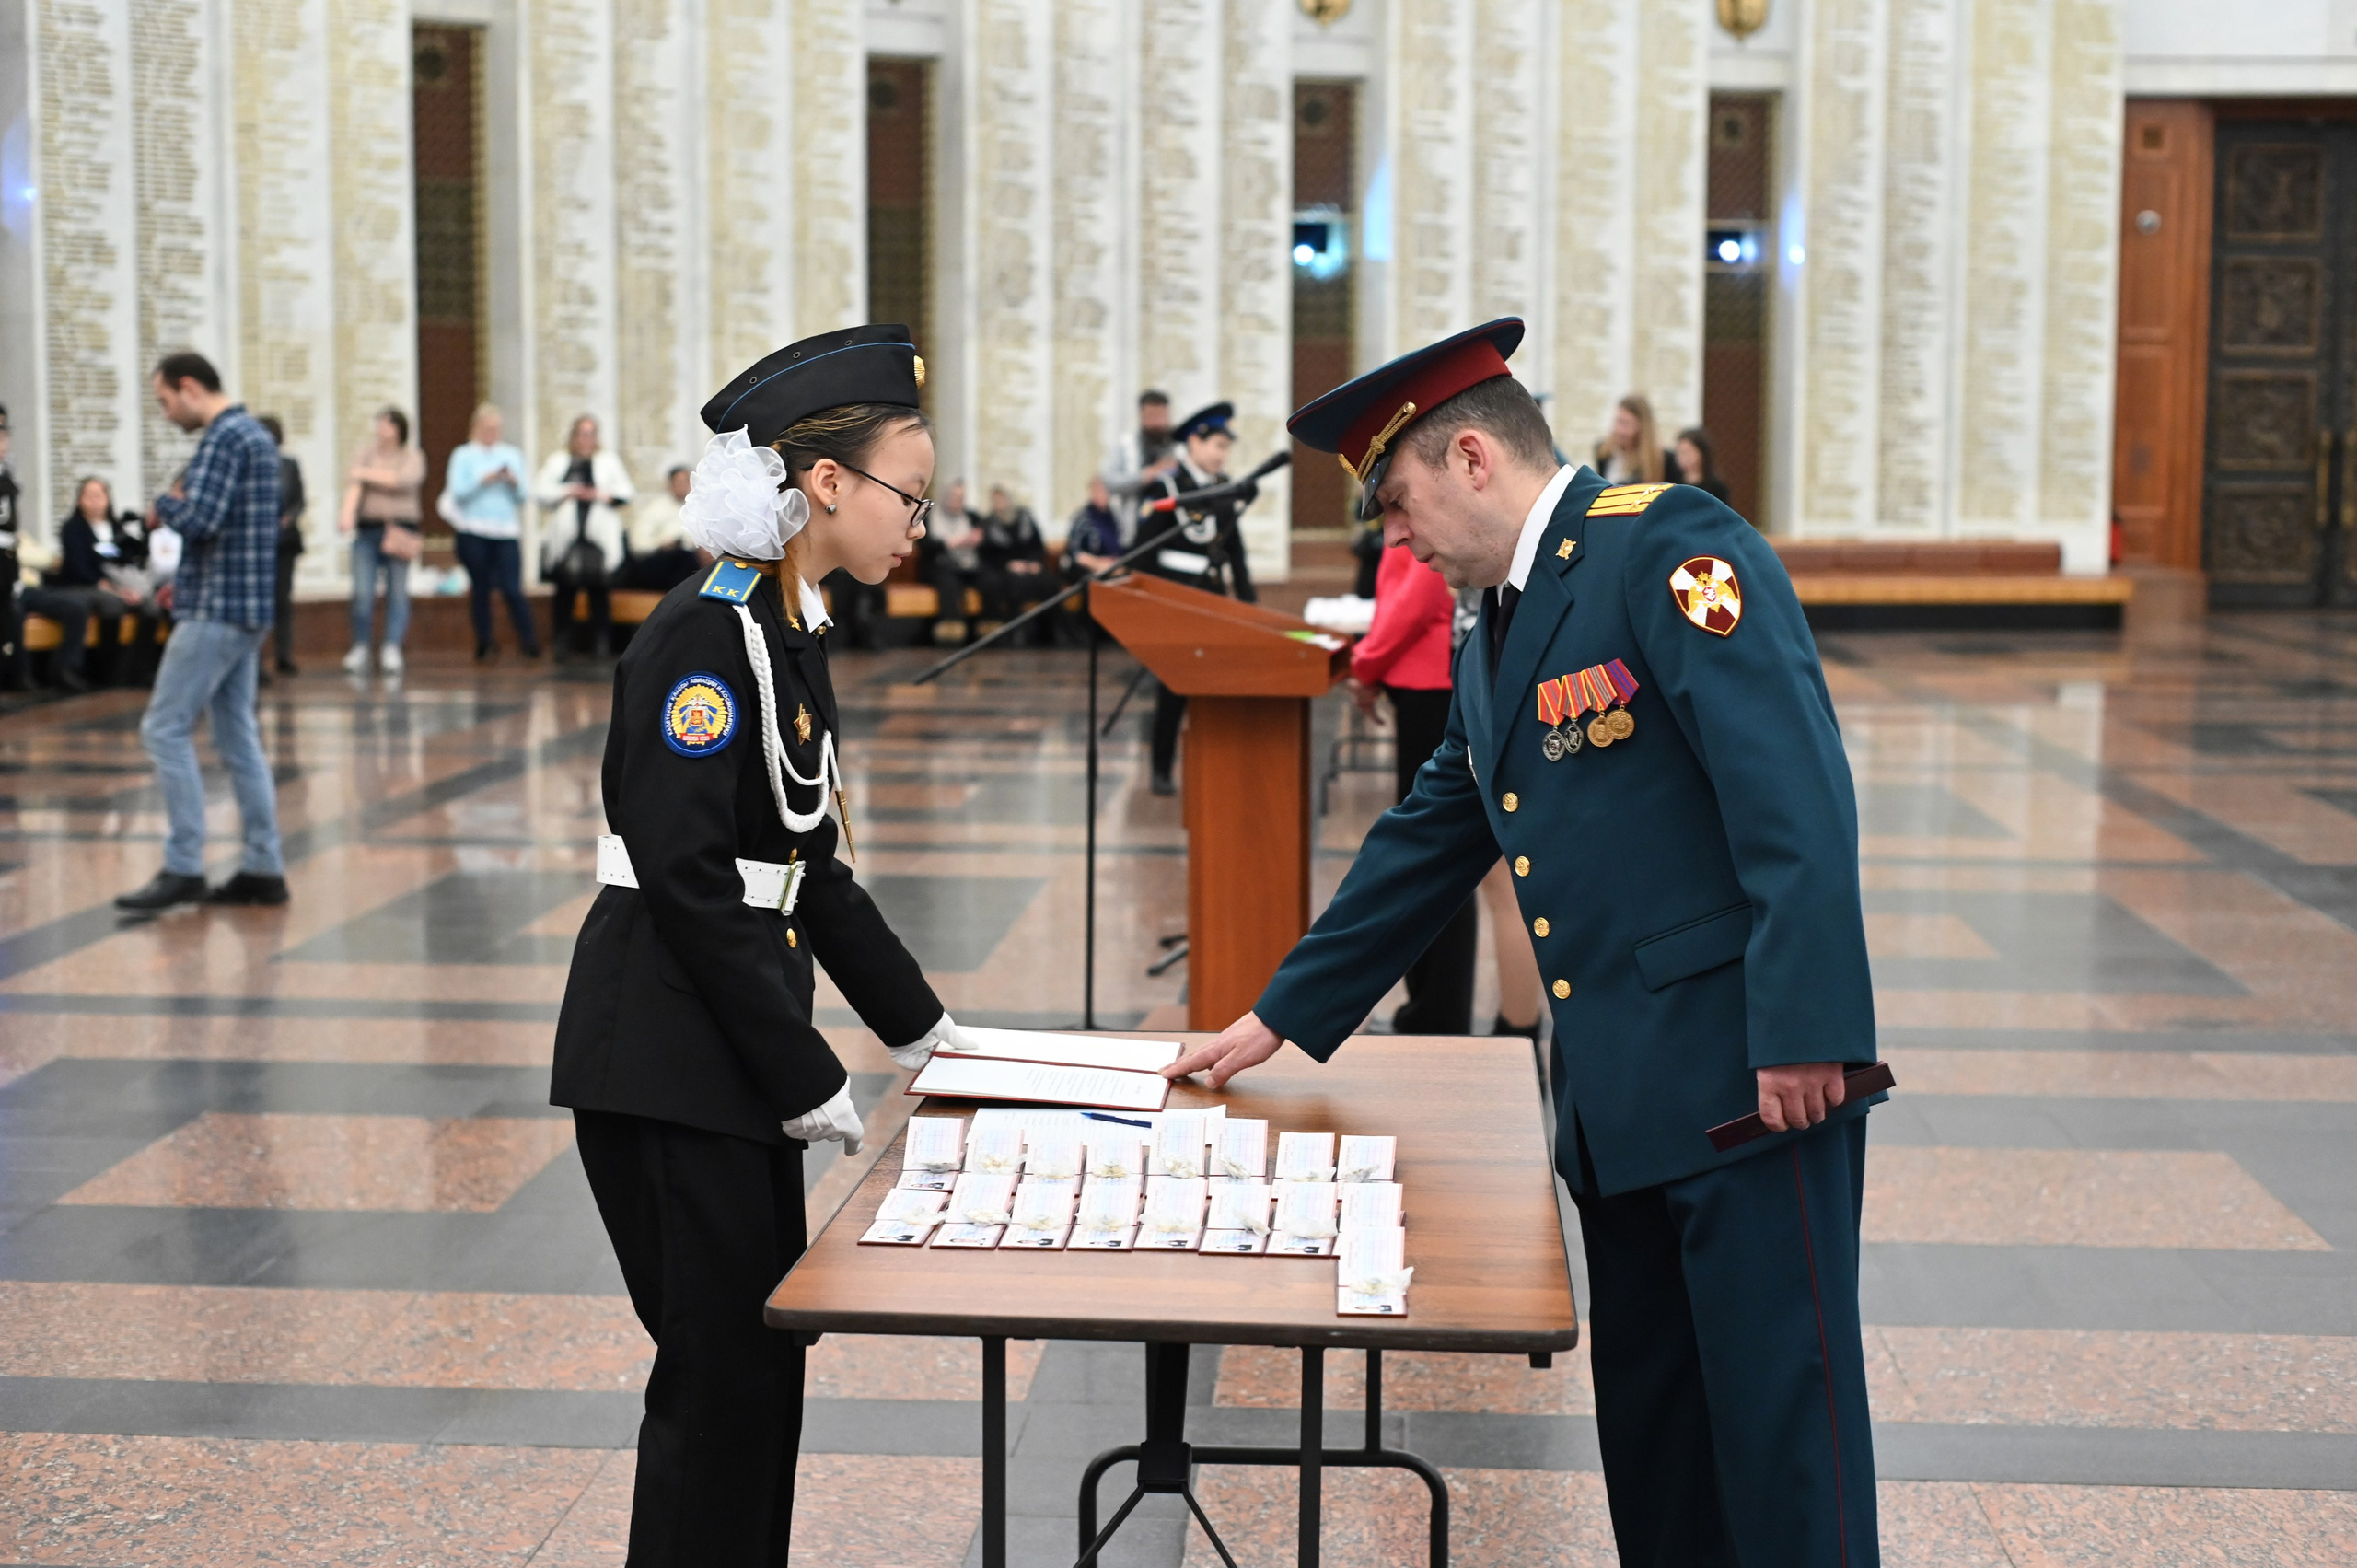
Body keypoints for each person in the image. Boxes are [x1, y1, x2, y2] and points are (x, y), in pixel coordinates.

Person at [1165, 319, 1882, 1568]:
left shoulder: (1667, 549)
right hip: (1619, 1103)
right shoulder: (1493, 621)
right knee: (1661, 1441)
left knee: (1783, 1435)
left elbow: (1796, 802)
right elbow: (1438, 826)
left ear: (1476, 460)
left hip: (1750, 1087)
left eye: (1399, 504)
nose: (1396, 538)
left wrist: (1810, 1029)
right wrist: (1281, 1010)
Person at [552, 322, 974, 1567]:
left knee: (755, 1371)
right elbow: (686, 880)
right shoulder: (706, 632)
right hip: (668, 1054)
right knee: (720, 1374)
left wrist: (925, 1031)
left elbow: (806, 868)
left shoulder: (789, 625)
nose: (923, 522)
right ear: (828, 484)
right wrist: (801, 1069)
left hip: (721, 1048)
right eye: (912, 493)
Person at [117, 352, 289, 911]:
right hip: (246, 605)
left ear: (190, 388)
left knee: (163, 729)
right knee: (237, 735)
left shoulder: (221, 437)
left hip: (217, 611)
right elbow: (235, 530)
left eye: (165, 401)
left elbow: (204, 518)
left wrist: (160, 506)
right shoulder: (258, 436)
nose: (167, 414)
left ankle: (184, 864)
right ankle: (264, 866)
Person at [1344, 539, 1477, 1034]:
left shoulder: (1426, 505)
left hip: (1428, 684)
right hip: (1419, 679)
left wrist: (1367, 663)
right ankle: (1429, 1005)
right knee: (1430, 847)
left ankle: (1436, 1012)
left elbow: (1420, 595)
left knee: (1434, 849)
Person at [1139, 400, 1260, 795]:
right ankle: (1160, 768)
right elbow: (1142, 553)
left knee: (1213, 688)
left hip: (1211, 601)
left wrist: (1250, 608)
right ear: (1194, 442)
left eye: (1227, 448)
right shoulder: (1167, 488)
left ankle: (1209, 766)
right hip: (1173, 602)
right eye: (1218, 446)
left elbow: (1236, 553)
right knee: (1171, 691)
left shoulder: (1224, 491)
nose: (1223, 455)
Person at [33, 478, 157, 690]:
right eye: (88, 496)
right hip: (85, 585)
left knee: (150, 608)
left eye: (99, 495)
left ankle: (139, 669)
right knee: (112, 605)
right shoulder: (74, 528)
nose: (94, 501)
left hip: (121, 584)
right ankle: (107, 670)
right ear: (79, 500)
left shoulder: (116, 528)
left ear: (108, 499)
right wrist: (111, 587)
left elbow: (128, 558)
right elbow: (79, 566)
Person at [444, 403, 541, 663]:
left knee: (512, 588)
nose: (492, 433)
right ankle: (485, 642)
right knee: (481, 588)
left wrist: (511, 480)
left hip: (505, 531)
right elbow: (458, 493)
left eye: (496, 429)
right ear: (476, 428)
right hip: (473, 531)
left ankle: (529, 641)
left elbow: (523, 495)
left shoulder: (511, 455)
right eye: (487, 428)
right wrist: (483, 480)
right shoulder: (463, 455)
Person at [537, 414, 634, 659]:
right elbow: (541, 492)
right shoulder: (559, 461)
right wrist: (569, 491)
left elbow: (624, 493)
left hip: (597, 537)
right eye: (581, 433)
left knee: (599, 592)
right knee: (565, 591)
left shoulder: (607, 461)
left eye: (591, 433)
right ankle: (562, 645)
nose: (586, 439)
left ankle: (601, 646)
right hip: (568, 537)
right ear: (573, 435)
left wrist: (598, 495)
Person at [339, 407, 424, 676]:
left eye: (386, 424)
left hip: (400, 530)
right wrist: (347, 513)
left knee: (397, 593)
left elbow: (401, 481)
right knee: (363, 593)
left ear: (398, 428)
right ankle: (361, 645)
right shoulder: (366, 453)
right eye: (379, 424)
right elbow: (354, 483)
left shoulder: (412, 455)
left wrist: (365, 474)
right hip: (368, 530)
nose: (381, 429)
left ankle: (391, 646)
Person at [1099, 389, 1178, 543]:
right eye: (1152, 416)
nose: (1157, 422)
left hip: (1173, 531)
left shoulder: (1180, 446)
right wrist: (1147, 475)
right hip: (1135, 530)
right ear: (1141, 415)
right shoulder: (1126, 445)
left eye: (1161, 416)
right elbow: (1109, 482)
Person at [615, 463, 704, 594]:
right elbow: (638, 545)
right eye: (679, 482)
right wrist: (662, 545)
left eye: (687, 482)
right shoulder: (654, 509)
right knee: (683, 558)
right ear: (670, 484)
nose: (684, 486)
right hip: (658, 561)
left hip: (690, 559)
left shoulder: (699, 510)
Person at [976, 484, 1051, 634]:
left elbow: (1038, 546)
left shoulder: (1025, 518)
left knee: (1050, 582)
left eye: (1002, 499)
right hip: (1004, 570)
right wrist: (1009, 565)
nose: (1000, 503)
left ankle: (1051, 631)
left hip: (1030, 566)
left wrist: (1032, 564)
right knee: (1016, 584)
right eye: (996, 500)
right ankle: (1018, 631)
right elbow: (987, 555)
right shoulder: (987, 524)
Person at [262, 415, 305, 677]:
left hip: (284, 542)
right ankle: (256, 660)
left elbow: (299, 500)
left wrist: (288, 518)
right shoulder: (252, 466)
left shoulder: (289, 466)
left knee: (282, 600)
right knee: (261, 601)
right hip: (260, 544)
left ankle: (283, 655)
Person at [916, 478, 980, 644]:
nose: (957, 502)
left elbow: (984, 539)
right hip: (938, 566)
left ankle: (988, 627)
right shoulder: (929, 517)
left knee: (990, 580)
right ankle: (951, 630)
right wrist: (949, 544)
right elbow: (924, 545)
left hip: (968, 566)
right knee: (949, 582)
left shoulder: (972, 517)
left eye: (961, 498)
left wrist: (978, 539)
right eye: (954, 497)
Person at [1593, 391, 1681, 487]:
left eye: (1626, 423)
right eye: (1618, 421)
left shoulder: (1665, 460)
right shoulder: (1603, 452)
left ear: (1642, 427)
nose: (1619, 430)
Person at [1676, 426, 1732, 507]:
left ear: (1702, 453)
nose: (1683, 458)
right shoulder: (1674, 483)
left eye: (1687, 452)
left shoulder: (1717, 488)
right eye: (1679, 453)